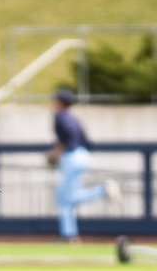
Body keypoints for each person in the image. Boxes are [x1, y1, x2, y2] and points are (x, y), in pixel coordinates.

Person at [49, 88, 121, 242]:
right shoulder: (74, 118)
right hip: (82, 155)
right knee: (65, 198)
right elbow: (87, 140)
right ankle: (69, 235)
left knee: (67, 198)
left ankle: (102, 190)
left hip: (71, 157)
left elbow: (67, 138)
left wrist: (58, 150)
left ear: (60, 102)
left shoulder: (60, 116)